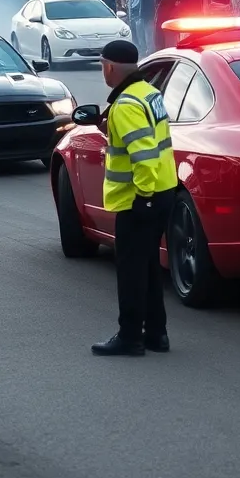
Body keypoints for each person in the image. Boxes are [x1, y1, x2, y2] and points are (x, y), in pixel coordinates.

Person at [91, 39, 178, 358]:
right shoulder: (149, 93)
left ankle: (130, 336)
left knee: (130, 270)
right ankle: (156, 333)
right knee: (148, 265)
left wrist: (144, 196)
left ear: (110, 66)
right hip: (164, 190)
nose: (103, 71)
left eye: (102, 66)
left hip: (140, 198)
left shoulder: (127, 104)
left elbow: (142, 155)